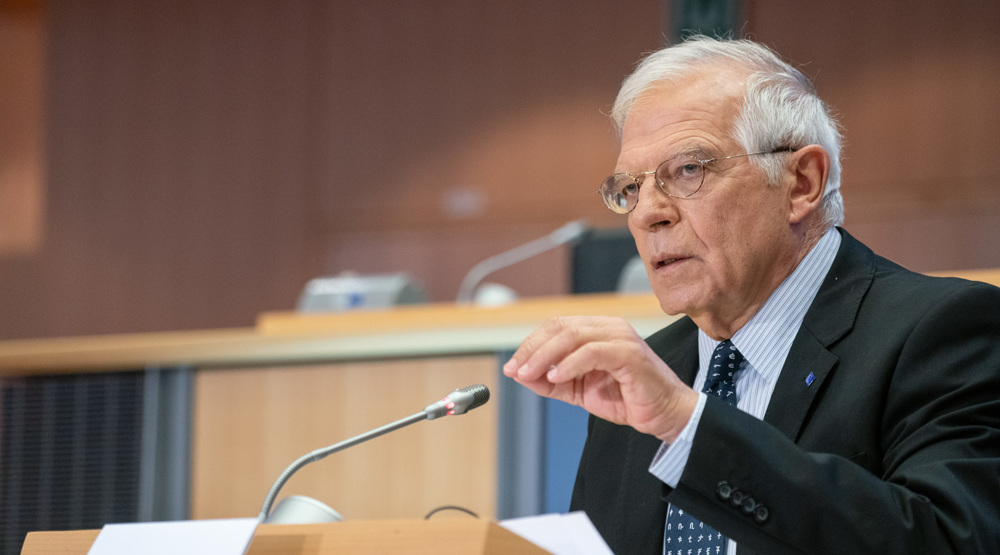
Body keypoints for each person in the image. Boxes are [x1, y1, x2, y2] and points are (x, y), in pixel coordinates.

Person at [503, 35, 1000, 554]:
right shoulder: (650, 371)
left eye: (689, 170)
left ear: (802, 183)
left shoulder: (943, 330)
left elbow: (949, 541)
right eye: (630, 188)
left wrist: (688, 425)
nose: (648, 213)